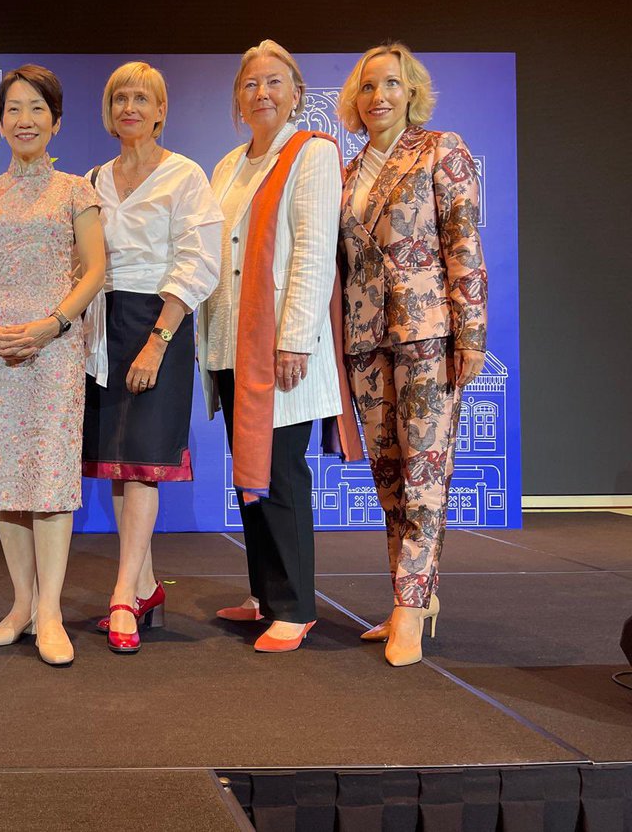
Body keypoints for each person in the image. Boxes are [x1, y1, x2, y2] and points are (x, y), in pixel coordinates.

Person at [197, 40, 363, 653]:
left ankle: (294, 605)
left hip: (284, 348)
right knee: (251, 476)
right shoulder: (227, 166)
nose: (261, 93)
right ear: (238, 100)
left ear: (296, 93)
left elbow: (316, 253)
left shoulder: (312, 154)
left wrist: (294, 340)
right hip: (229, 343)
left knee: (283, 475)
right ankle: (265, 593)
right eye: (249, 85)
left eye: (273, 83)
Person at [337, 42, 487, 667]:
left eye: (391, 84)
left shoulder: (439, 149)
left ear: (411, 92)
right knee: (392, 475)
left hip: (427, 332)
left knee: (426, 473)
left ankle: (408, 606)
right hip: (365, 340)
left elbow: (463, 241)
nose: (380, 97)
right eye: (369, 86)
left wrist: (471, 332)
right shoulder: (345, 174)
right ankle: (415, 596)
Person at [0, 65, 105, 667]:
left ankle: (50, 613)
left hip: (54, 348)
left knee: (47, 482)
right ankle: (21, 605)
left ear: (57, 121)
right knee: (5, 484)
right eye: (14, 109)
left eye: (37, 108)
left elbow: (94, 269)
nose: (24, 119)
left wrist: (52, 325)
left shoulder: (76, 191)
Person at [81, 62, 222, 654]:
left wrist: (159, 340)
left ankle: (121, 596)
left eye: (142, 98)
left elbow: (199, 262)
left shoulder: (185, 175)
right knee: (117, 459)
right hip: (101, 325)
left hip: (158, 322)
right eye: (120, 98)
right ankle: (142, 584)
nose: (130, 107)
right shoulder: (91, 179)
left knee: (143, 459)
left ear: (162, 111)